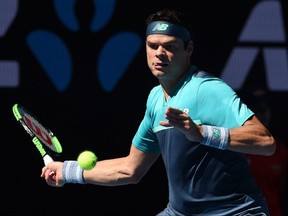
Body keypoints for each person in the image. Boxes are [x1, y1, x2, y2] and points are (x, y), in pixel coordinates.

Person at [41, 9, 276, 215]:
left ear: (189, 48)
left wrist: (202, 133)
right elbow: (131, 169)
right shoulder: (155, 99)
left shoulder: (207, 89)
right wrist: (67, 171)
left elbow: (266, 142)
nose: (159, 53)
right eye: (153, 46)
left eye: (170, 46)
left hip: (234, 212)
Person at [239, 87, 288, 216]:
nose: (263, 113)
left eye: (265, 107)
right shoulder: (232, 146)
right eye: (257, 107)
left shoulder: (280, 151)